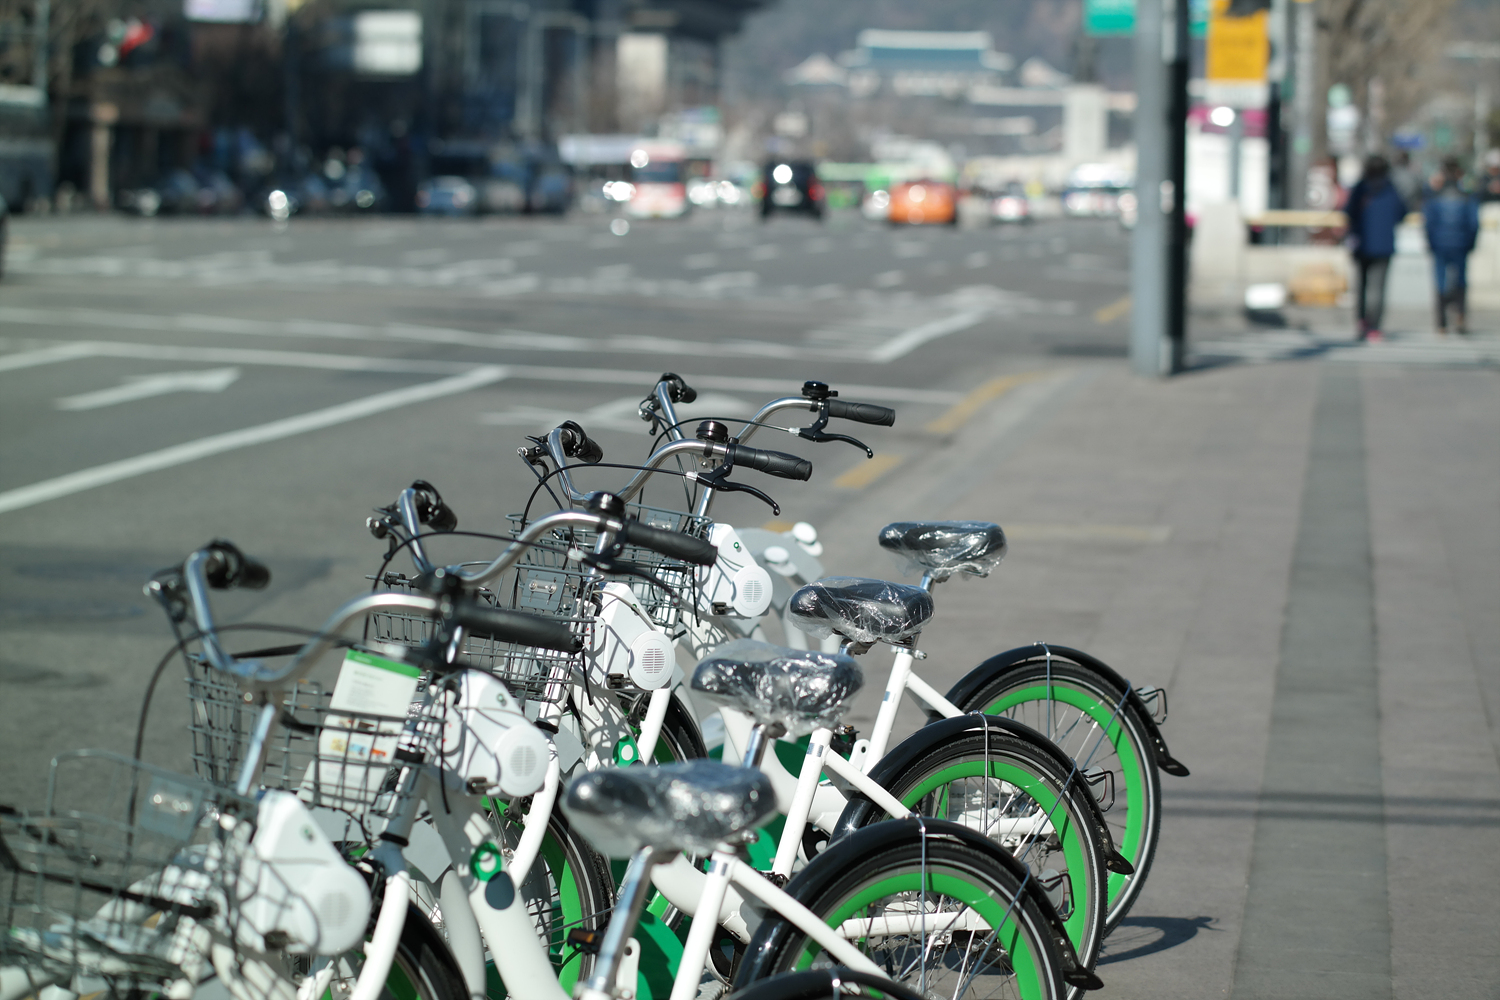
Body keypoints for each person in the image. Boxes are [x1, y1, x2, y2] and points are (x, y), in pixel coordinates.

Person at [1343, 155, 1407, 341]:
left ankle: (1361, 322)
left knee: (1362, 286)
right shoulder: (1390, 189)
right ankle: (1375, 327)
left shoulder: (1360, 188)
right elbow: (1402, 212)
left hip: (1362, 243)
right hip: (1384, 244)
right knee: (1378, 287)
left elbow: (1349, 211)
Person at [1423, 156, 1481, 335]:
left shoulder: (1435, 196)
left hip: (1440, 243)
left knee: (1440, 280)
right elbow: (1473, 223)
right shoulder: (1467, 197)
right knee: (1461, 279)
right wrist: (1471, 243)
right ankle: (1460, 315)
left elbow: (1429, 223)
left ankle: (1441, 322)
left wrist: (1430, 242)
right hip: (1461, 243)